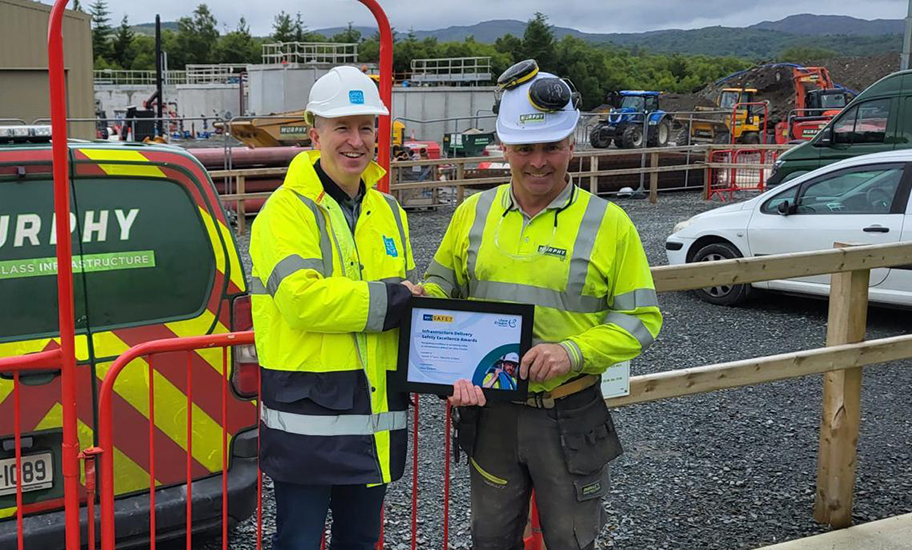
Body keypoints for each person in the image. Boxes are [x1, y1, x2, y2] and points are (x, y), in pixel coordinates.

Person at [422, 59, 662, 550]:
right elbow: (441, 289)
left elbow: (640, 320)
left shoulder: (609, 224)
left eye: (551, 147)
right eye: (524, 149)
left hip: (569, 413)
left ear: (571, 144)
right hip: (490, 413)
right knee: (489, 539)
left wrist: (572, 352)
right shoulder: (473, 213)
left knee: (571, 541)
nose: (538, 162)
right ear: (504, 148)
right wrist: (435, 341)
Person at [249, 65, 421, 550]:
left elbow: (408, 296)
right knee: (300, 543)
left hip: (373, 418)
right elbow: (302, 301)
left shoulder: (387, 211)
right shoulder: (285, 211)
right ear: (314, 132)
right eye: (342, 127)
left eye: (366, 127)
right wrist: (398, 299)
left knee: (361, 541)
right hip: (307, 419)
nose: (356, 140)